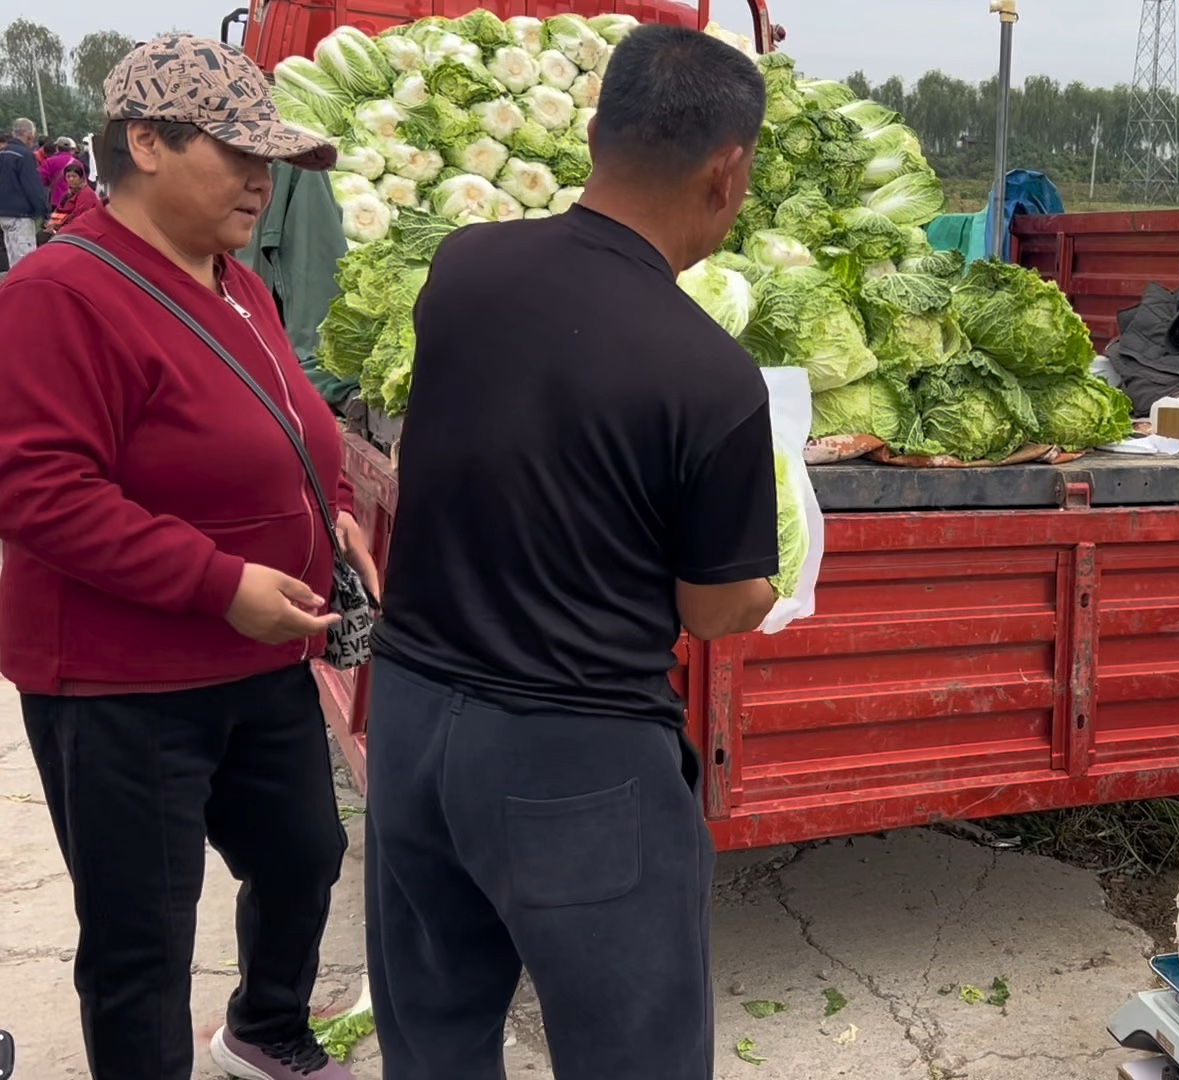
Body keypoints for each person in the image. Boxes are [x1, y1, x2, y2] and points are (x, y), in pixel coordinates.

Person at [365, 23, 776, 1080]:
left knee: (435, 1035)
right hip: (575, 759)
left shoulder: (462, 269)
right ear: (727, 174)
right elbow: (714, 606)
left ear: (593, 130)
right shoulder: (713, 377)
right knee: (633, 1053)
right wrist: (762, 581)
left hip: (413, 722)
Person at [0, 36, 378, 1080]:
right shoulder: (59, 293)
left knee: (305, 856)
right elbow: (37, 493)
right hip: (124, 684)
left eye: (273, 157)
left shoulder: (237, 282)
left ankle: (263, 1027)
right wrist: (218, 584)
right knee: (141, 938)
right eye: (237, 151)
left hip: (259, 660)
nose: (263, 179)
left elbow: (297, 425)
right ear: (147, 143)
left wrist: (336, 510)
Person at [0, 118, 47, 280]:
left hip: (4, 214)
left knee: (13, 260)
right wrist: (44, 213)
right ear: (28, 137)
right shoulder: (24, 155)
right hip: (21, 215)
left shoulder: (3, 153)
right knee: (26, 263)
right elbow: (32, 187)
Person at [48, 162, 101, 232]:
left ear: (81, 178)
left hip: (79, 230)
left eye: (74, 176)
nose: (71, 179)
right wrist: (53, 223)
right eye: (68, 176)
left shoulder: (86, 193)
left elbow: (79, 215)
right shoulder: (68, 194)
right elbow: (58, 210)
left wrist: (60, 226)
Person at [41, 135, 78, 203]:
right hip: (73, 200)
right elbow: (82, 182)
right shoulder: (77, 163)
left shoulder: (49, 161)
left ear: (57, 148)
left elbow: (42, 179)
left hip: (55, 200)